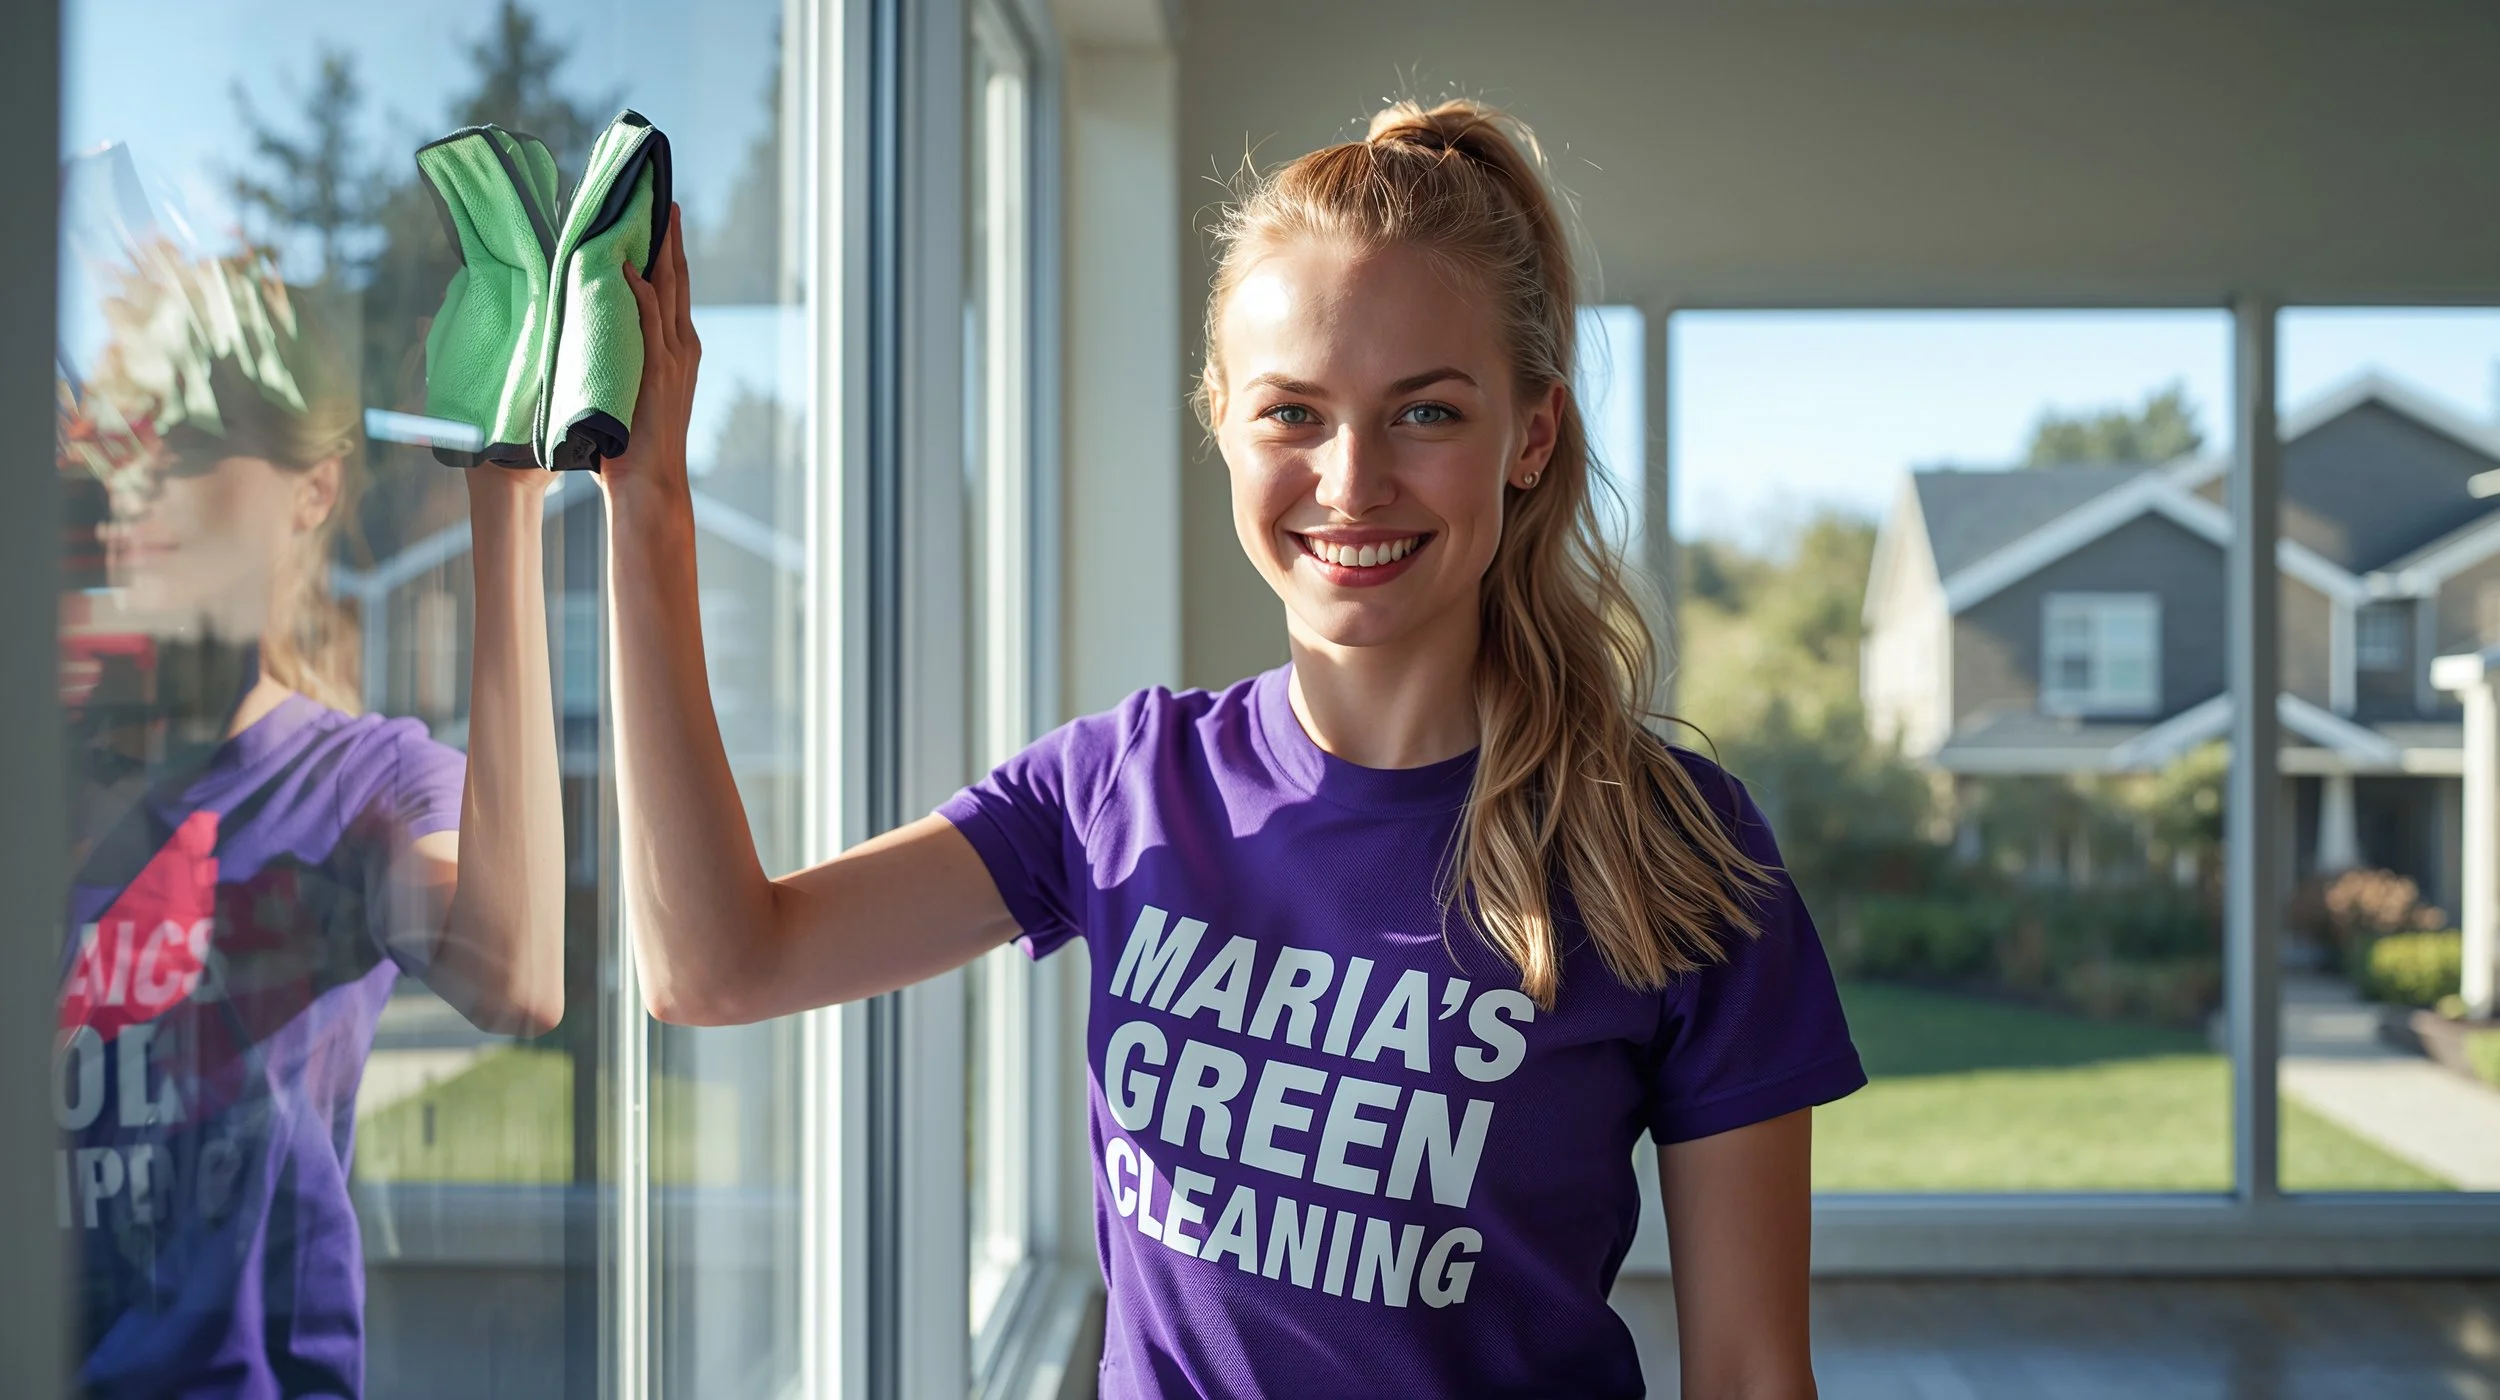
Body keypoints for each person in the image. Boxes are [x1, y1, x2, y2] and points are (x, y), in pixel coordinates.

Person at [587, 100, 1863, 1398]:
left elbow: (1755, 1375)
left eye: (1424, 414)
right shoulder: (1118, 791)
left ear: (1529, 435)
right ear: (1222, 420)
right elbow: (718, 963)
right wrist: (650, 505)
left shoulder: (1672, 848)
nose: (1352, 479)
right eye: (1293, 413)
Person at [56, 246, 565, 1398]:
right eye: (127, 442)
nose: (143, 484)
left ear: (312, 489)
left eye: (188, 443)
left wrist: (506, 499)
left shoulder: (351, 787)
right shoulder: (47, 783)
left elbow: (519, 971)